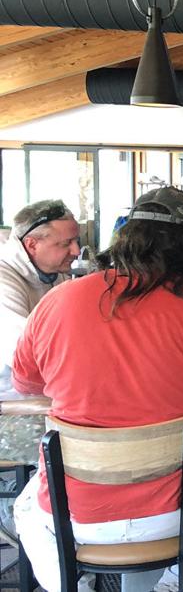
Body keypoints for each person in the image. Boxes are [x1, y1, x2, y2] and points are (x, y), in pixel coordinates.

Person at [11, 187, 183, 592]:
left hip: (74, 508)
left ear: (124, 237)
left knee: (25, 505)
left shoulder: (58, 301)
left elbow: (27, 383)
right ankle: (174, 585)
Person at [0, 200, 80, 546]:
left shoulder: (53, 276)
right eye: (66, 243)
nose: (76, 251)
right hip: (11, 407)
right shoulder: (4, 279)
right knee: (89, 443)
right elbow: (22, 353)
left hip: (42, 396)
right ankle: (37, 531)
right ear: (32, 244)